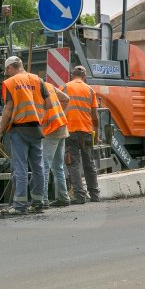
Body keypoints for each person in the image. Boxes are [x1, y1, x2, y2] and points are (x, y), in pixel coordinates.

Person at [0, 56, 51, 214]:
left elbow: (7, 110)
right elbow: (49, 104)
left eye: (7, 72)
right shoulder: (38, 80)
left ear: (9, 68)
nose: (7, 75)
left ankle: (20, 206)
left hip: (19, 130)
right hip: (36, 129)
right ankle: (38, 202)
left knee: (20, 168)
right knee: (38, 167)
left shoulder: (10, 83)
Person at [63, 66, 101, 203]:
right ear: (84, 76)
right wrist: (95, 134)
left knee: (73, 164)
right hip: (86, 132)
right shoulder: (90, 91)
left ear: (72, 75)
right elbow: (95, 116)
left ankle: (79, 196)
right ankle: (95, 195)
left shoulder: (65, 88)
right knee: (89, 163)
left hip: (70, 132)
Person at [41, 81, 72, 208]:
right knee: (58, 166)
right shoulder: (48, 85)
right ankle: (64, 198)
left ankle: (43, 200)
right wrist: (59, 113)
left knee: (45, 166)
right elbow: (66, 98)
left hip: (51, 130)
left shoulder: (36, 89)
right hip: (61, 126)